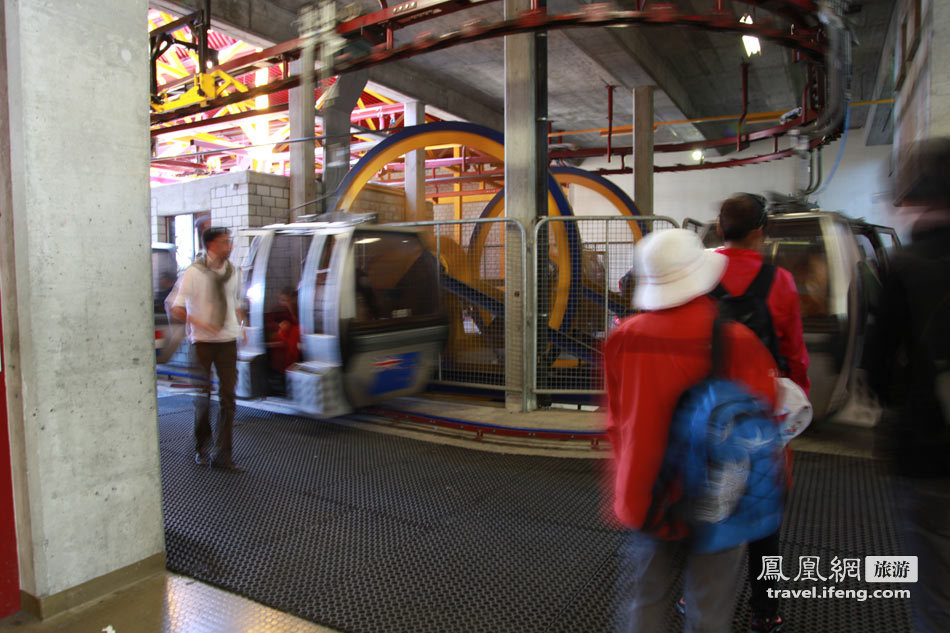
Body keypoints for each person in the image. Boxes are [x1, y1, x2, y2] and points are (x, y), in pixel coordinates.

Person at [605, 228, 778, 633]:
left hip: (648, 492)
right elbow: (764, 420)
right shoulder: (738, 340)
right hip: (720, 496)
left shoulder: (624, 338)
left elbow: (616, 421)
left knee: (644, 601)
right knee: (710, 609)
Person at [714, 193, 811, 633]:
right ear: (761, 230)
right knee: (765, 517)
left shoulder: (699, 274)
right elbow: (794, 353)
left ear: (720, 229)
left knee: (710, 505)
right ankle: (765, 611)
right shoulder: (781, 282)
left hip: (709, 413)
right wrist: (797, 406)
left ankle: (699, 594)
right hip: (763, 417)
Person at [866, 137, 950, 633]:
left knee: (934, 580)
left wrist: (900, 404)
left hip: (929, 445)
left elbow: (877, 365)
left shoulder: (907, 267)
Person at [171, 227, 245, 472]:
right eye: (225, 242)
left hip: (227, 342)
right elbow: (177, 308)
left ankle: (223, 455)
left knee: (228, 399)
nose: (230, 246)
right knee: (203, 399)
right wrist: (202, 324)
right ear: (211, 246)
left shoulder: (233, 272)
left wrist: (241, 327)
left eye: (229, 241)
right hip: (202, 343)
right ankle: (201, 448)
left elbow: (235, 302)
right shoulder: (194, 273)